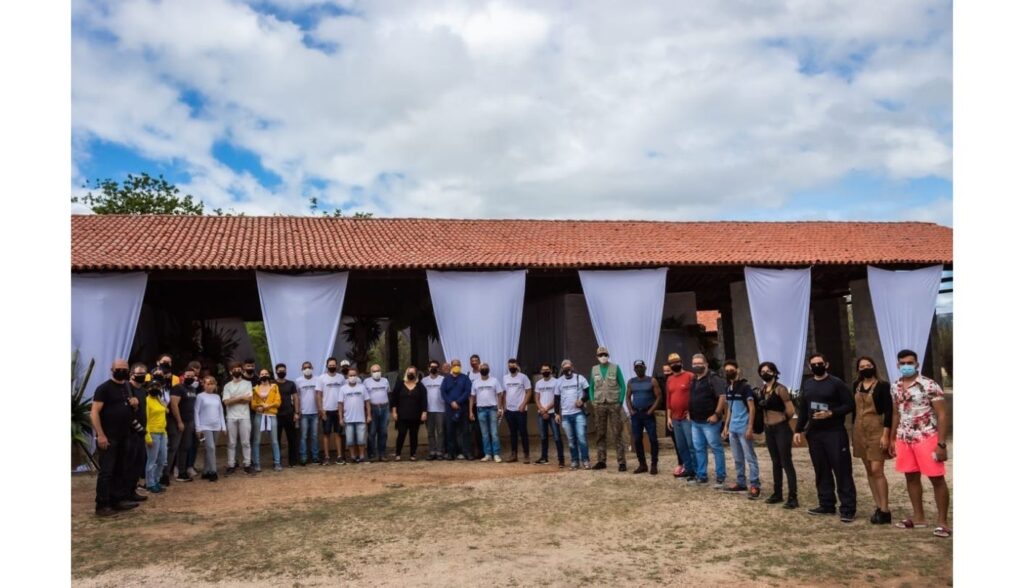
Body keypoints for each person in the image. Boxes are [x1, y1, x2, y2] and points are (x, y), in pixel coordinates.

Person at [891, 349, 951, 538]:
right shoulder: (895, 386)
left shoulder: (929, 385)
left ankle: (943, 522)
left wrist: (941, 444)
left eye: (910, 362)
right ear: (898, 365)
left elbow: (942, 414)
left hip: (927, 436)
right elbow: (895, 413)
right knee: (911, 477)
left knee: (936, 478)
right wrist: (893, 437)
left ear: (917, 364)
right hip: (904, 437)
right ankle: (919, 518)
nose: (906, 366)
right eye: (903, 363)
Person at [794, 353, 856, 522]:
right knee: (821, 470)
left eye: (820, 363)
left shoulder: (836, 383)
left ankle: (847, 508)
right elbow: (804, 409)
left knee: (842, 470)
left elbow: (849, 405)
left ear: (826, 364)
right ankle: (826, 504)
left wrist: (831, 413)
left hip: (835, 433)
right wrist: (798, 430)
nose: (816, 366)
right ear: (809, 367)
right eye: (813, 364)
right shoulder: (807, 385)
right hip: (815, 434)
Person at [91, 359, 140, 516]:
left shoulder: (126, 386)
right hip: (108, 436)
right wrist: (101, 435)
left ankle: (117, 500)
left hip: (124, 435)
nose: (122, 371)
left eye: (125, 369)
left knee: (120, 469)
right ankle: (102, 505)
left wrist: (135, 404)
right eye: (119, 369)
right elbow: (94, 413)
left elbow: (129, 408)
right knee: (107, 471)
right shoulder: (104, 388)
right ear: (112, 370)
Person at [850, 356, 893, 525]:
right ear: (858, 369)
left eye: (869, 365)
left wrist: (886, 434)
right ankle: (878, 505)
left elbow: (889, 411)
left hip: (877, 427)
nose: (866, 368)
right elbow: (854, 410)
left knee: (877, 469)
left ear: (874, 367)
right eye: (862, 366)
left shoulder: (883, 386)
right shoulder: (856, 385)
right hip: (859, 429)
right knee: (868, 469)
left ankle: (885, 509)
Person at [756, 361, 798, 509]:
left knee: (786, 461)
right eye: (762, 371)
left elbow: (791, 410)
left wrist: (782, 420)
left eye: (768, 370)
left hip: (781, 428)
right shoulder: (762, 390)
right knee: (775, 461)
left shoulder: (780, 389)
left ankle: (793, 496)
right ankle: (777, 493)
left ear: (774, 372)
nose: (765, 373)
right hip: (769, 429)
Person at [721, 360, 761, 498]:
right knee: (738, 457)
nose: (729, 373)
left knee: (750, 457)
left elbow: (752, 408)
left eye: (731, 370)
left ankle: (755, 485)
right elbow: (730, 410)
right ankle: (741, 482)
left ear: (738, 370)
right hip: (733, 428)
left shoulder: (745, 387)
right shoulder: (728, 388)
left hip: (744, 427)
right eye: (726, 371)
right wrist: (726, 426)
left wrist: (750, 427)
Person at [688, 354, 727, 488]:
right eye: (694, 364)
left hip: (710, 422)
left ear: (706, 364)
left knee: (716, 448)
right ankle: (702, 475)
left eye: (699, 363)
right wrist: (689, 412)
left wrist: (716, 414)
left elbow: (722, 397)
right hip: (695, 421)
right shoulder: (693, 379)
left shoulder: (713, 378)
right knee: (699, 449)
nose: (696, 366)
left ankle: (720, 477)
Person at [589, 346, 628, 472]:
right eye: (600, 355)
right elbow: (591, 387)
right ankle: (601, 460)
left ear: (608, 355)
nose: (603, 357)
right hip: (599, 404)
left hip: (614, 404)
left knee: (617, 433)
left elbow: (622, 385)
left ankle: (621, 462)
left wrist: (620, 401)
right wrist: (592, 401)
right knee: (600, 433)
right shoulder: (594, 369)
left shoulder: (615, 368)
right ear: (597, 357)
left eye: (605, 354)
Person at [626, 360, 662, 475]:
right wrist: (631, 410)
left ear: (645, 368)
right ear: (634, 369)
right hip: (636, 414)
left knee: (653, 439)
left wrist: (651, 410)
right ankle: (642, 464)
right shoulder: (631, 382)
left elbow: (659, 397)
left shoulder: (652, 380)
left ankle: (654, 464)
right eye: (636, 367)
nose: (639, 369)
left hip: (648, 414)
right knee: (637, 439)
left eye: (641, 367)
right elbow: (627, 397)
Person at [554, 359, 590, 470]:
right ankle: (574, 461)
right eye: (565, 368)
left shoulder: (580, 378)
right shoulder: (559, 381)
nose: (567, 370)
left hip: (579, 413)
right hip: (565, 415)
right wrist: (556, 413)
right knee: (571, 440)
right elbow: (556, 398)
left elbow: (589, 392)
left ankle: (585, 460)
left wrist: (582, 400)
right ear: (562, 369)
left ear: (572, 367)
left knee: (581, 438)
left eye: (569, 368)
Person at [665, 353, 696, 480]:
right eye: (672, 363)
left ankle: (696, 470)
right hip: (675, 418)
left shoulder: (690, 376)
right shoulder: (670, 379)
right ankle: (688, 469)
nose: (675, 365)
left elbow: (695, 395)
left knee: (691, 445)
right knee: (681, 446)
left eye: (677, 362)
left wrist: (692, 411)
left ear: (681, 362)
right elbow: (668, 399)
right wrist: (668, 417)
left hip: (687, 418)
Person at [167, 364, 199, 483]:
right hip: (177, 422)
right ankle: (164, 475)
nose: (190, 377)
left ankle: (182, 472)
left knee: (185, 447)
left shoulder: (192, 389)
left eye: (192, 376)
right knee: (173, 447)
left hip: (189, 421)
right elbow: (174, 405)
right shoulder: (178, 388)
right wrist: (179, 421)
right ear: (183, 376)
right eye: (187, 376)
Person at [222, 361, 254, 475]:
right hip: (231, 417)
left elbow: (248, 399)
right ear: (231, 372)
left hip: (244, 416)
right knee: (231, 442)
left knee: (246, 442)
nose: (237, 371)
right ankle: (231, 464)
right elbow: (226, 402)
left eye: (239, 369)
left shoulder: (247, 383)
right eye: (234, 369)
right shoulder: (227, 386)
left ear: (242, 370)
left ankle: (247, 464)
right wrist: (241, 398)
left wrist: (234, 398)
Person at [391, 366, 428, 460]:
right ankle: (398, 454)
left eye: (412, 373)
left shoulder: (420, 386)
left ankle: (413, 454)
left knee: (414, 435)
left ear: (416, 374)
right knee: (401, 434)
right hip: (402, 415)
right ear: (406, 373)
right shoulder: (400, 384)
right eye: (409, 372)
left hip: (415, 415)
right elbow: (394, 399)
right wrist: (394, 412)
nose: (410, 374)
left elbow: (424, 400)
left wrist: (424, 412)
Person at [470, 363, 504, 462]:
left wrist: (500, 408)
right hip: (480, 410)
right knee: (484, 434)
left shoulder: (494, 380)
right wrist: (470, 412)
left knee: (494, 433)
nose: (484, 369)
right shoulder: (475, 382)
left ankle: (496, 454)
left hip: (493, 409)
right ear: (479, 370)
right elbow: (472, 397)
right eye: (482, 368)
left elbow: (500, 395)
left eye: (486, 368)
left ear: (489, 369)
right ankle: (488, 454)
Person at [194, 376, 226, 481]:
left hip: (216, 426)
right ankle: (213, 471)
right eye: (207, 383)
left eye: (212, 383)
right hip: (205, 426)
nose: (210, 385)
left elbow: (221, 411)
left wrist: (223, 426)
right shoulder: (200, 396)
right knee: (211, 448)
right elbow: (196, 412)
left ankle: (206, 471)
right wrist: (198, 428)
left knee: (210, 449)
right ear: (203, 385)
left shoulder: (217, 397)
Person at [533, 362, 565, 467]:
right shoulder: (538, 383)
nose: (545, 371)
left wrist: (546, 409)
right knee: (543, 437)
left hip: (552, 413)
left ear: (551, 371)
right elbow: (537, 398)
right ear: (541, 371)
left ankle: (561, 460)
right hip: (541, 413)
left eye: (547, 369)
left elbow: (557, 399)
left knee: (557, 437)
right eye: (543, 370)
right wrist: (541, 409)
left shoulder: (556, 382)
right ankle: (544, 458)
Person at [251, 368, 282, 472]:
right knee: (256, 441)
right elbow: (253, 403)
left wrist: (267, 406)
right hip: (259, 416)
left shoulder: (274, 387)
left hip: (271, 415)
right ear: (259, 376)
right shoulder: (255, 388)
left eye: (266, 373)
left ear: (269, 375)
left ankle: (277, 463)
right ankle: (256, 463)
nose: (264, 375)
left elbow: (278, 402)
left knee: (274, 440)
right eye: (262, 373)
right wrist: (258, 407)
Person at [339, 366, 372, 464]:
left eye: (354, 375)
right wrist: (340, 418)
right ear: (347, 376)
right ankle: (353, 457)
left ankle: (361, 457)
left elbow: (367, 402)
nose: (352, 377)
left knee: (361, 440)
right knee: (350, 441)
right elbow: (340, 404)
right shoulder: (343, 389)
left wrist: (369, 415)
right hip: (348, 419)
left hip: (361, 418)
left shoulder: (362, 387)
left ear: (357, 376)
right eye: (350, 375)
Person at [127, 363, 150, 499]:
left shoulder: (143, 391)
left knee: (139, 462)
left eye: (143, 374)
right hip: (130, 431)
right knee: (129, 463)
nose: (141, 377)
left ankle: (132, 490)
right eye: (138, 374)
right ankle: (125, 492)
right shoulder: (127, 388)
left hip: (141, 432)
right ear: (132, 374)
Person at [441, 359, 473, 460]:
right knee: (450, 431)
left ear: (461, 366)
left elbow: (467, 391)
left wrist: (458, 402)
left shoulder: (465, 378)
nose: (456, 366)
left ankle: (467, 452)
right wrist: (451, 402)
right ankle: (451, 453)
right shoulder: (446, 379)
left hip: (462, 408)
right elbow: (443, 392)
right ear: (451, 366)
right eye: (454, 365)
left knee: (465, 431)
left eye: (458, 365)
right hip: (450, 409)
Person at [502, 358, 532, 463]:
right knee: (513, 433)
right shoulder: (505, 378)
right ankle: (514, 455)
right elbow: (505, 393)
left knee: (523, 432)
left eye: (513, 365)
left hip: (521, 410)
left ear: (517, 366)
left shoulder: (523, 377)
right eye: (510, 366)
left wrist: (523, 404)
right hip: (509, 410)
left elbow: (529, 391)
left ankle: (526, 455)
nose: (511, 367)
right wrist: (504, 406)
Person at [317, 357, 345, 465]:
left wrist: (342, 409)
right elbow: (318, 395)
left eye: (334, 365)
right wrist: (321, 410)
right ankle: (327, 457)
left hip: (338, 410)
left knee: (338, 433)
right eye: (330, 365)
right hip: (326, 410)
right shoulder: (321, 378)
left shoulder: (341, 378)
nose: (332, 366)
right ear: (327, 365)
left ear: (337, 366)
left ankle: (339, 456)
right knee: (326, 433)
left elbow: (344, 393)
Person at [144, 382, 169, 494]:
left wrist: (162, 402)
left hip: (162, 432)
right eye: (152, 386)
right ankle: (150, 483)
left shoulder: (159, 400)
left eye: (157, 386)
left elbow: (166, 411)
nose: (155, 388)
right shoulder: (147, 401)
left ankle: (156, 480)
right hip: (153, 433)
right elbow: (146, 420)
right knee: (152, 460)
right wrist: (147, 436)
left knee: (163, 459)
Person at [364, 364, 392, 461]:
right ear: (371, 372)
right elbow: (364, 398)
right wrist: (367, 413)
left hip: (384, 408)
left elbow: (388, 393)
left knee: (383, 432)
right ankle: (372, 455)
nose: (376, 373)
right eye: (374, 371)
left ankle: (382, 454)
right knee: (372, 432)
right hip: (372, 408)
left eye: (378, 370)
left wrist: (389, 409)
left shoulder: (385, 381)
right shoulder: (366, 382)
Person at [274, 363, 300, 467]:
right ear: (276, 371)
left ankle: (292, 461)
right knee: (276, 440)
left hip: (289, 414)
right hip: (276, 415)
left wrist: (296, 412)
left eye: (283, 371)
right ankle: (277, 461)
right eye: (280, 371)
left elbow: (296, 398)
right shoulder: (272, 384)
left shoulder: (291, 384)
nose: (282, 372)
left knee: (292, 439)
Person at [296, 361, 321, 465]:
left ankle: (315, 456)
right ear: (302, 370)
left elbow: (320, 395)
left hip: (315, 412)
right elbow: (296, 397)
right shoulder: (298, 381)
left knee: (315, 436)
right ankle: (303, 457)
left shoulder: (318, 380)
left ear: (312, 368)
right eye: (305, 368)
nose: (307, 369)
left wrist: (320, 409)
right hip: (304, 413)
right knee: (304, 436)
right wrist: (297, 411)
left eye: (309, 367)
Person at [422, 359, 447, 461]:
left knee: (441, 432)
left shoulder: (443, 379)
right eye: (431, 367)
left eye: (435, 367)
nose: (433, 368)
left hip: (441, 409)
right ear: (428, 368)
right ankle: (432, 451)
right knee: (430, 432)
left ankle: (440, 451)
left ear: (438, 368)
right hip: (428, 410)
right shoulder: (424, 381)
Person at [467, 354, 485, 459]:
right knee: (472, 430)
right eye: (472, 361)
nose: (474, 362)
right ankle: (473, 452)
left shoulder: (483, 373)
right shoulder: (468, 374)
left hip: (482, 404)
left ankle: (483, 452)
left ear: (479, 361)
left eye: (476, 360)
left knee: (481, 430)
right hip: (471, 405)